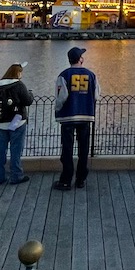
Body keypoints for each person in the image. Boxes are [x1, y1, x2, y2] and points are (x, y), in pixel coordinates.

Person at [54, 47, 100, 191]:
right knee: (83, 149)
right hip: (85, 115)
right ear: (80, 59)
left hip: (68, 116)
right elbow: (97, 94)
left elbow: (61, 97)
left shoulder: (63, 75)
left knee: (67, 149)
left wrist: (58, 108)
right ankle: (81, 179)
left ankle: (66, 180)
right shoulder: (91, 75)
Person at [0, 62, 34, 186]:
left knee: (0, 150)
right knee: (16, 150)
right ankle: (16, 175)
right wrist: (30, 93)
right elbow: (27, 100)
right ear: (18, 73)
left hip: (0, 123)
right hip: (17, 122)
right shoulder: (18, 85)